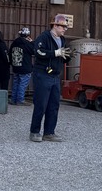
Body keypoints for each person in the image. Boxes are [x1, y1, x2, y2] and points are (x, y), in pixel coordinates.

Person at [29, 14, 71, 143]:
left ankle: (49, 132)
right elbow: (38, 52)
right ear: (55, 25)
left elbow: (63, 55)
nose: (65, 29)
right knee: (41, 104)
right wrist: (55, 53)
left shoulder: (62, 40)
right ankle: (35, 132)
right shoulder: (44, 37)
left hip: (54, 75)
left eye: (65, 27)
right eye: (63, 27)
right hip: (43, 74)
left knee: (53, 105)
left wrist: (67, 56)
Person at [9, 27, 34, 105]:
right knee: (22, 84)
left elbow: (10, 53)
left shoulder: (14, 43)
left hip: (16, 66)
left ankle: (13, 99)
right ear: (28, 35)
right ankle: (20, 100)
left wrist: (12, 63)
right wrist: (32, 42)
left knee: (16, 83)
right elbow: (34, 51)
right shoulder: (27, 43)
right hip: (25, 67)